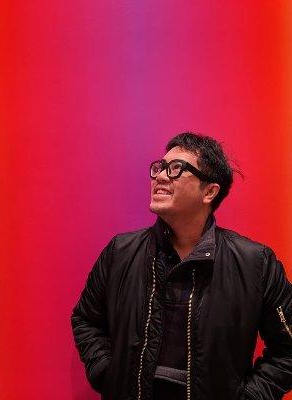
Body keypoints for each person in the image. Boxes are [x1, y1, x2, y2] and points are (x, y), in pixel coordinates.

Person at [70, 132, 292, 400]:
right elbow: (86, 319)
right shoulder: (121, 252)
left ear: (209, 192)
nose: (161, 177)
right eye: (160, 167)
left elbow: (288, 351)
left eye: (176, 169)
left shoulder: (256, 263)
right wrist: (107, 374)